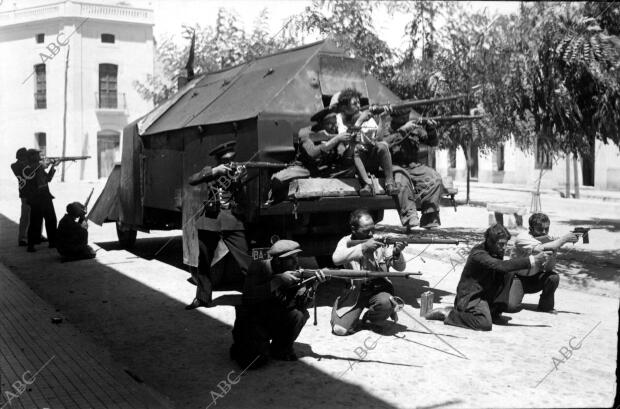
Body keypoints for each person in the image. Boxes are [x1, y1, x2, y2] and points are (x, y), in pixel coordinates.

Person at [425, 224, 550, 331]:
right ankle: (449, 314)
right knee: (484, 324)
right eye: (501, 244)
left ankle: (494, 312)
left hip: (485, 293)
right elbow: (500, 265)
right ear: (490, 242)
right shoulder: (479, 254)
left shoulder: (495, 250)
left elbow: (503, 269)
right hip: (471, 296)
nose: (504, 247)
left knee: (509, 273)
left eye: (506, 244)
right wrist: (533, 260)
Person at [230, 240, 325, 368]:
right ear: (279, 261)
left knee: (298, 315)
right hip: (253, 320)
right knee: (253, 362)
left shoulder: (293, 270)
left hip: (274, 315)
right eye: (291, 259)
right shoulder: (259, 267)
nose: (296, 262)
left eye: (296, 258)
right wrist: (277, 281)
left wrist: (313, 286)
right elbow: (249, 297)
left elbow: (300, 304)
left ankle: (280, 349)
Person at [185, 141, 252, 309]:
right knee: (204, 261)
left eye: (232, 159)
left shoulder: (238, 173)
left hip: (232, 222)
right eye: (225, 160)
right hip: (210, 221)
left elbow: (243, 195)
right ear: (218, 161)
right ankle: (202, 298)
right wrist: (215, 171)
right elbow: (191, 180)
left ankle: (254, 299)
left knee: (247, 263)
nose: (229, 162)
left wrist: (238, 177)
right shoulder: (211, 172)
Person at [330, 209, 406, 335]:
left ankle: (369, 320)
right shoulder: (345, 241)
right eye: (366, 231)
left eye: (373, 229)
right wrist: (364, 247)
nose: (371, 233)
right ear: (354, 229)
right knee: (340, 330)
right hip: (355, 291)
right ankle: (342, 307)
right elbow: (336, 259)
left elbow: (400, 268)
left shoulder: (380, 240)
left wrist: (397, 253)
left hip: (377, 289)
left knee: (386, 302)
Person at [381, 112, 445, 229]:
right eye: (402, 116)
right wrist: (402, 131)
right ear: (394, 117)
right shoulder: (386, 128)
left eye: (406, 115)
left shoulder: (414, 127)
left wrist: (431, 129)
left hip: (413, 166)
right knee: (402, 182)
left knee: (434, 178)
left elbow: (432, 143)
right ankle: (410, 216)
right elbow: (382, 144)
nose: (405, 118)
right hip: (394, 166)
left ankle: (430, 218)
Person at [510, 213, 579, 312]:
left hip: (534, 278)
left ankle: (545, 306)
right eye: (540, 229)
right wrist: (563, 240)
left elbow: (548, 269)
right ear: (531, 228)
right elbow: (539, 248)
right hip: (517, 278)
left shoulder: (548, 240)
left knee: (553, 277)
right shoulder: (523, 237)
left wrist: (553, 252)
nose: (544, 232)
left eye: (547, 229)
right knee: (511, 307)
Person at [335, 88, 398, 197]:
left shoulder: (363, 114)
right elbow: (347, 140)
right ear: (344, 108)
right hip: (351, 161)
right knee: (356, 149)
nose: (358, 106)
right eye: (355, 104)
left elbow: (378, 138)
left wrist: (382, 119)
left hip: (368, 157)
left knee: (383, 146)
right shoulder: (339, 119)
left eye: (359, 102)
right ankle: (367, 184)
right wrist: (360, 121)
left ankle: (390, 183)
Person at [23, 149, 57, 252]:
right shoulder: (29, 168)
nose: (40, 156)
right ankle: (31, 245)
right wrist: (43, 165)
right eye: (37, 155)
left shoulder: (39, 167)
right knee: (35, 223)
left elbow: (48, 179)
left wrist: (53, 166)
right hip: (37, 198)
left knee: (51, 220)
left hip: (45, 197)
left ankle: (53, 242)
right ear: (32, 157)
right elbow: (33, 174)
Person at [10, 147, 33, 246]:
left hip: (31, 193)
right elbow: (26, 170)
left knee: (34, 216)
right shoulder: (16, 166)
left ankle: (32, 235)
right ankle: (22, 238)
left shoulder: (26, 164)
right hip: (25, 194)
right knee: (25, 217)